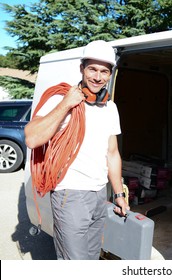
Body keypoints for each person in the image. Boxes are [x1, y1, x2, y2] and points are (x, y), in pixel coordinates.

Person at [25, 40, 129, 260]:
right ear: (82, 68)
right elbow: (32, 138)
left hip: (100, 193)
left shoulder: (110, 107)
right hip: (70, 195)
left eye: (104, 71)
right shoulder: (59, 98)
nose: (98, 77)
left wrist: (118, 194)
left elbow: (112, 153)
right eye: (92, 69)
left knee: (91, 258)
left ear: (110, 75)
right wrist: (66, 104)